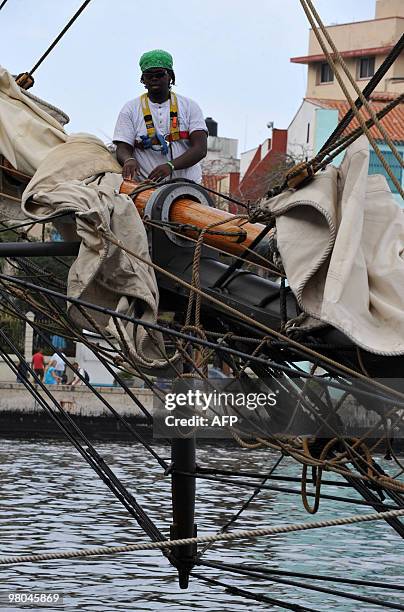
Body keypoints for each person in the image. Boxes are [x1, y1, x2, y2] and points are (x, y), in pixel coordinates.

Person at [113, 49, 207, 184]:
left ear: (170, 76)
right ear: (142, 79)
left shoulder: (190, 106)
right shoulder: (130, 109)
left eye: (159, 74)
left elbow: (200, 149)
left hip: (187, 186)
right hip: (145, 188)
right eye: (148, 75)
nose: (154, 78)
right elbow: (123, 147)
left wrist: (171, 166)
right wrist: (128, 160)